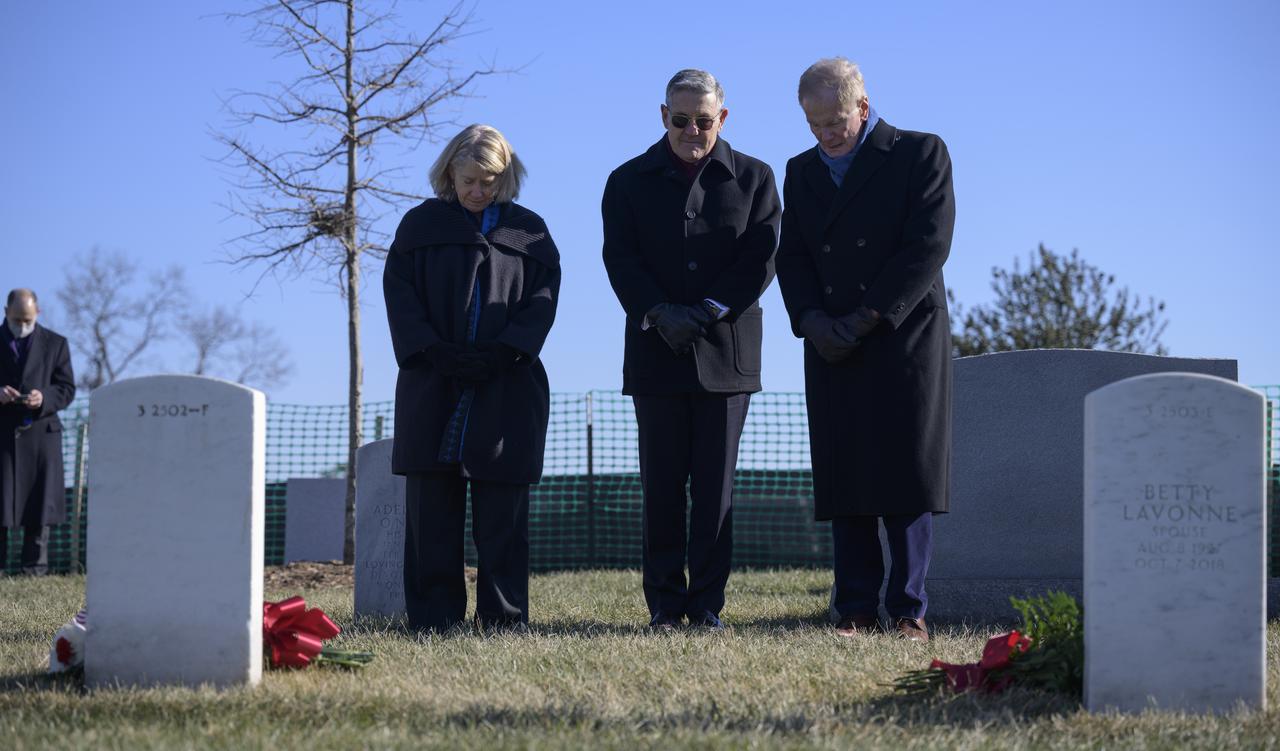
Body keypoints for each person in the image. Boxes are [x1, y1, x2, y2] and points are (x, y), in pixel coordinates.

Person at [775, 58, 955, 642]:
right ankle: (853, 607)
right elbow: (793, 253)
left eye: (835, 120)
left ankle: (908, 611)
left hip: (902, 335)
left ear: (863, 105)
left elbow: (927, 245)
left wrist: (869, 314)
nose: (826, 134)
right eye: (814, 124)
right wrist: (809, 319)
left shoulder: (920, 153)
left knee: (906, 474)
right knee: (845, 470)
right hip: (831, 340)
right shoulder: (800, 172)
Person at [602, 69, 780, 630]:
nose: (692, 131)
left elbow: (761, 256)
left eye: (704, 121)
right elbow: (620, 259)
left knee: (714, 491)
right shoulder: (627, 180)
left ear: (722, 118)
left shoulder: (755, 177)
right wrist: (659, 312)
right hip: (656, 353)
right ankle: (663, 605)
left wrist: (706, 310)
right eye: (681, 120)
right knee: (660, 488)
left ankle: (705, 605)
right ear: (664, 117)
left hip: (726, 357)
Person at [383, 124, 560, 633]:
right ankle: (434, 617)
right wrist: (432, 351)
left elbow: (543, 300)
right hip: (432, 384)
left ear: (506, 177)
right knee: (431, 515)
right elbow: (400, 295)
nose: (479, 191)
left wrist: (507, 353)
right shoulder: (420, 226)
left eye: (490, 181)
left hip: (507, 385)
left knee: (502, 515)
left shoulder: (531, 232)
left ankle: (503, 618)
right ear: (449, 174)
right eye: (469, 181)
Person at [1, 289, 76, 575]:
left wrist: (43, 398)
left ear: (38, 314)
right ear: (5, 312)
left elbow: (67, 389)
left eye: (28, 320)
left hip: (41, 435)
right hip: (3, 437)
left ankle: (34, 569)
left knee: (39, 505)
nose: (22, 325)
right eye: (17, 319)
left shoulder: (56, 344)